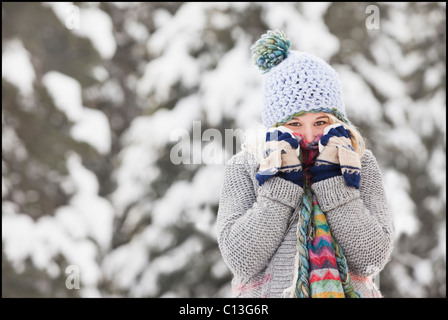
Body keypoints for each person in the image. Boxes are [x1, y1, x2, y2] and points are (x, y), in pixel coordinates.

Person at [216, 30, 394, 298]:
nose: (310, 136)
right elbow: (241, 260)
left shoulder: (359, 162)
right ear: (275, 126)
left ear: (337, 122)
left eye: (320, 122)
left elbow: (372, 257)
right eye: (295, 124)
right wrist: (280, 188)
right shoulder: (246, 166)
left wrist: (333, 182)